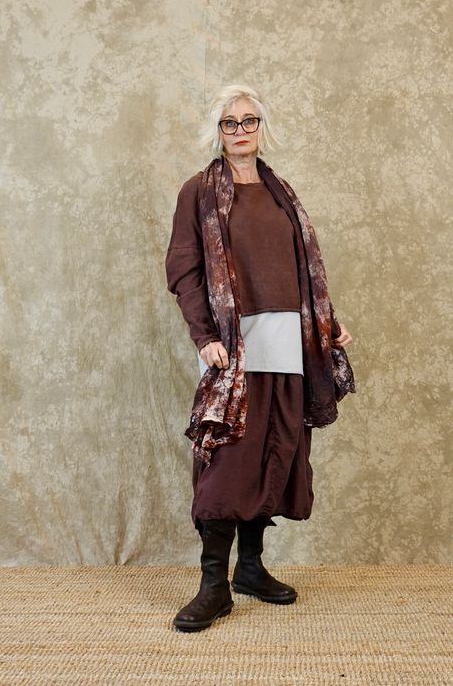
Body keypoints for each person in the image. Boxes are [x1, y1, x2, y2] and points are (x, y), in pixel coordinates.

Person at [165, 84, 355, 633]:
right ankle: (213, 585)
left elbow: (303, 272)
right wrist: (204, 335)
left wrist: (327, 323)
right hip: (234, 344)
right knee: (229, 460)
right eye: (230, 122)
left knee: (277, 451)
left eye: (249, 120)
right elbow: (184, 269)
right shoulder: (199, 191)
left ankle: (249, 569)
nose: (241, 130)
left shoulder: (281, 192)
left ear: (262, 127)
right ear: (217, 132)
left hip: (290, 342)